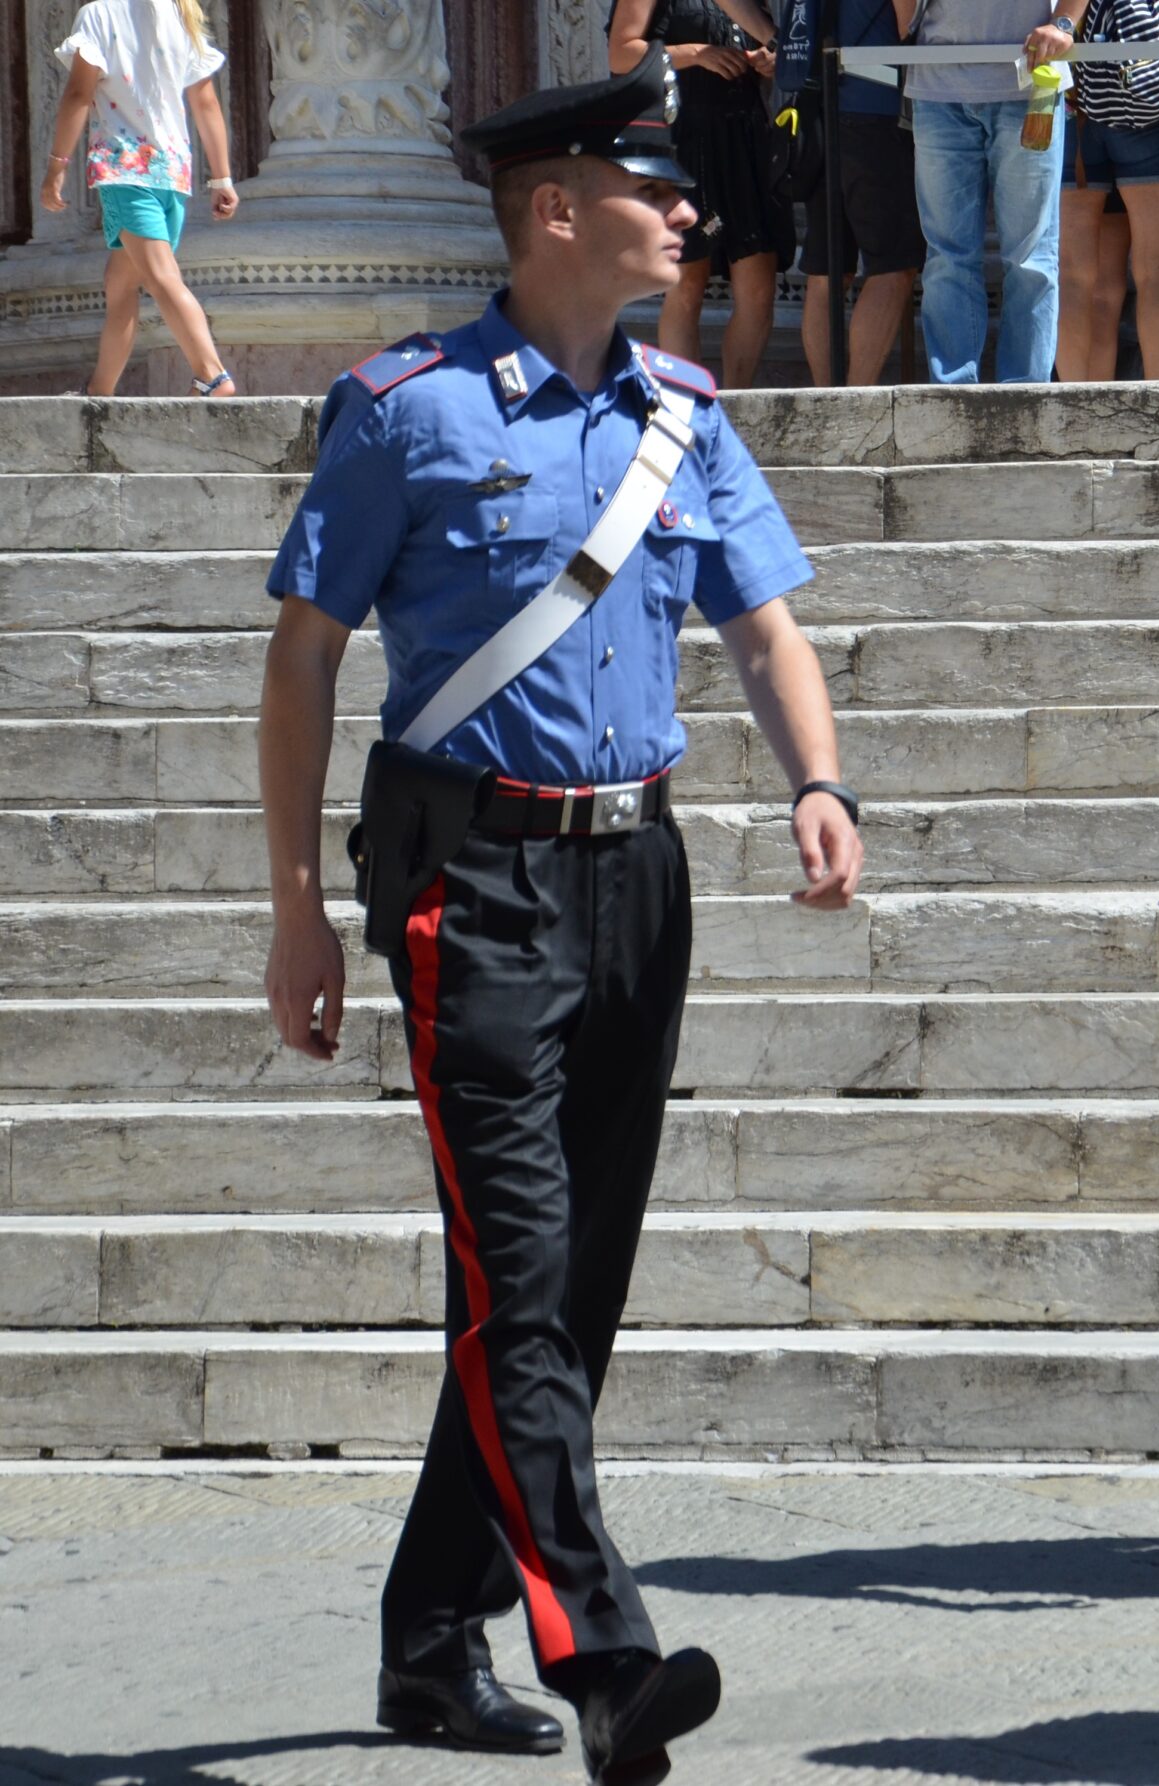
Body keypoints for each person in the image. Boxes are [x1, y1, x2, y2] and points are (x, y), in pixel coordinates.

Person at [257, 53, 863, 1786]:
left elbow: (763, 625)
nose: (687, 209)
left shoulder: (686, 412)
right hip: (473, 883)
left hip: (636, 876)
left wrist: (819, 780)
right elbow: (304, 655)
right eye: (652, 188)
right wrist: (296, 905)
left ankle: (425, 1633)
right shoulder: (409, 409)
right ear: (553, 210)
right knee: (517, 1275)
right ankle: (605, 1657)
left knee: (569, 1288)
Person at [41, 0, 241, 397]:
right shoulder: (181, 13)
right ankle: (99, 392)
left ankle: (212, 376)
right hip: (172, 174)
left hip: (125, 171)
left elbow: (79, 93)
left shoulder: (99, 14)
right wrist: (222, 178)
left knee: (161, 277)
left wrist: (56, 166)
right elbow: (206, 103)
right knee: (119, 283)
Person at [607, 0, 792, 389]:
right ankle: (685, 405)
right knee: (686, 281)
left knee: (760, 286)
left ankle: (737, 405)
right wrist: (696, 54)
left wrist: (768, 61)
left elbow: (772, 43)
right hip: (684, 138)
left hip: (745, 138)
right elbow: (622, 54)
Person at [1036, 0, 1159, 380]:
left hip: (1076, 111)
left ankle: (1074, 402)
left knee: (1073, 275)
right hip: (1155, 112)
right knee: (1158, 271)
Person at [898, 0, 1067, 382]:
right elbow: (903, 20)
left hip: (1031, 84)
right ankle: (953, 394)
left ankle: (1024, 397)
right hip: (939, 87)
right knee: (949, 256)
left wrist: (1064, 24)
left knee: (1030, 259)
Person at [800, 0, 928, 386]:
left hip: (820, 111)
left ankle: (824, 401)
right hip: (877, 112)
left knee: (828, 270)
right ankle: (856, 401)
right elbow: (908, 25)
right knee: (893, 266)